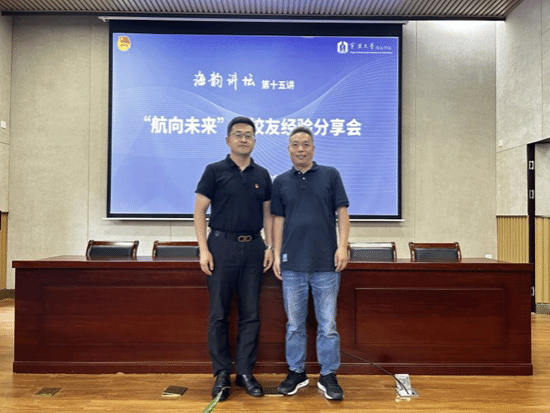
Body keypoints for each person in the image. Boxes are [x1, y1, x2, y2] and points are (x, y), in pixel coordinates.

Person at [194, 116, 273, 402]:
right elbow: (199, 211)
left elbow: (268, 213)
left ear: (254, 141)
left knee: (251, 314)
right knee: (219, 314)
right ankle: (221, 374)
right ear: (228, 140)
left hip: (253, 248)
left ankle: (245, 373)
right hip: (221, 247)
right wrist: (204, 249)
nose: (243, 139)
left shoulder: (262, 174)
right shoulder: (214, 171)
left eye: (248, 135)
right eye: (238, 134)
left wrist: (270, 246)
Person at [271, 126, 350, 401]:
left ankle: (328, 375)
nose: (300, 149)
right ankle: (296, 372)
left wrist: (342, 246)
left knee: (328, 325)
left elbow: (342, 212)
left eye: (305, 144)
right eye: (295, 144)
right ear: (289, 150)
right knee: (294, 325)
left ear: (313, 148)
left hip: (326, 264)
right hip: (292, 265)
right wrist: (277, 253)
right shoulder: (281, 181)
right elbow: (278, 219)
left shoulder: (330, 175)